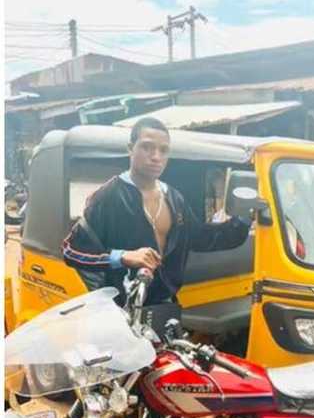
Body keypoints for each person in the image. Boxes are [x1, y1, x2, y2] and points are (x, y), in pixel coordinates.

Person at [62, 117, 251, 306]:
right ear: (130, 148)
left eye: (163, 150)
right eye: (147, 147)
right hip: (120, 308)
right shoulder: (107, 197)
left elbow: (201, 237)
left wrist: (244, 219)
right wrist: (122, 257)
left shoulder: (174, 198)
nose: (156, 157)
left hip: (164, 305)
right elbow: (72, 251)